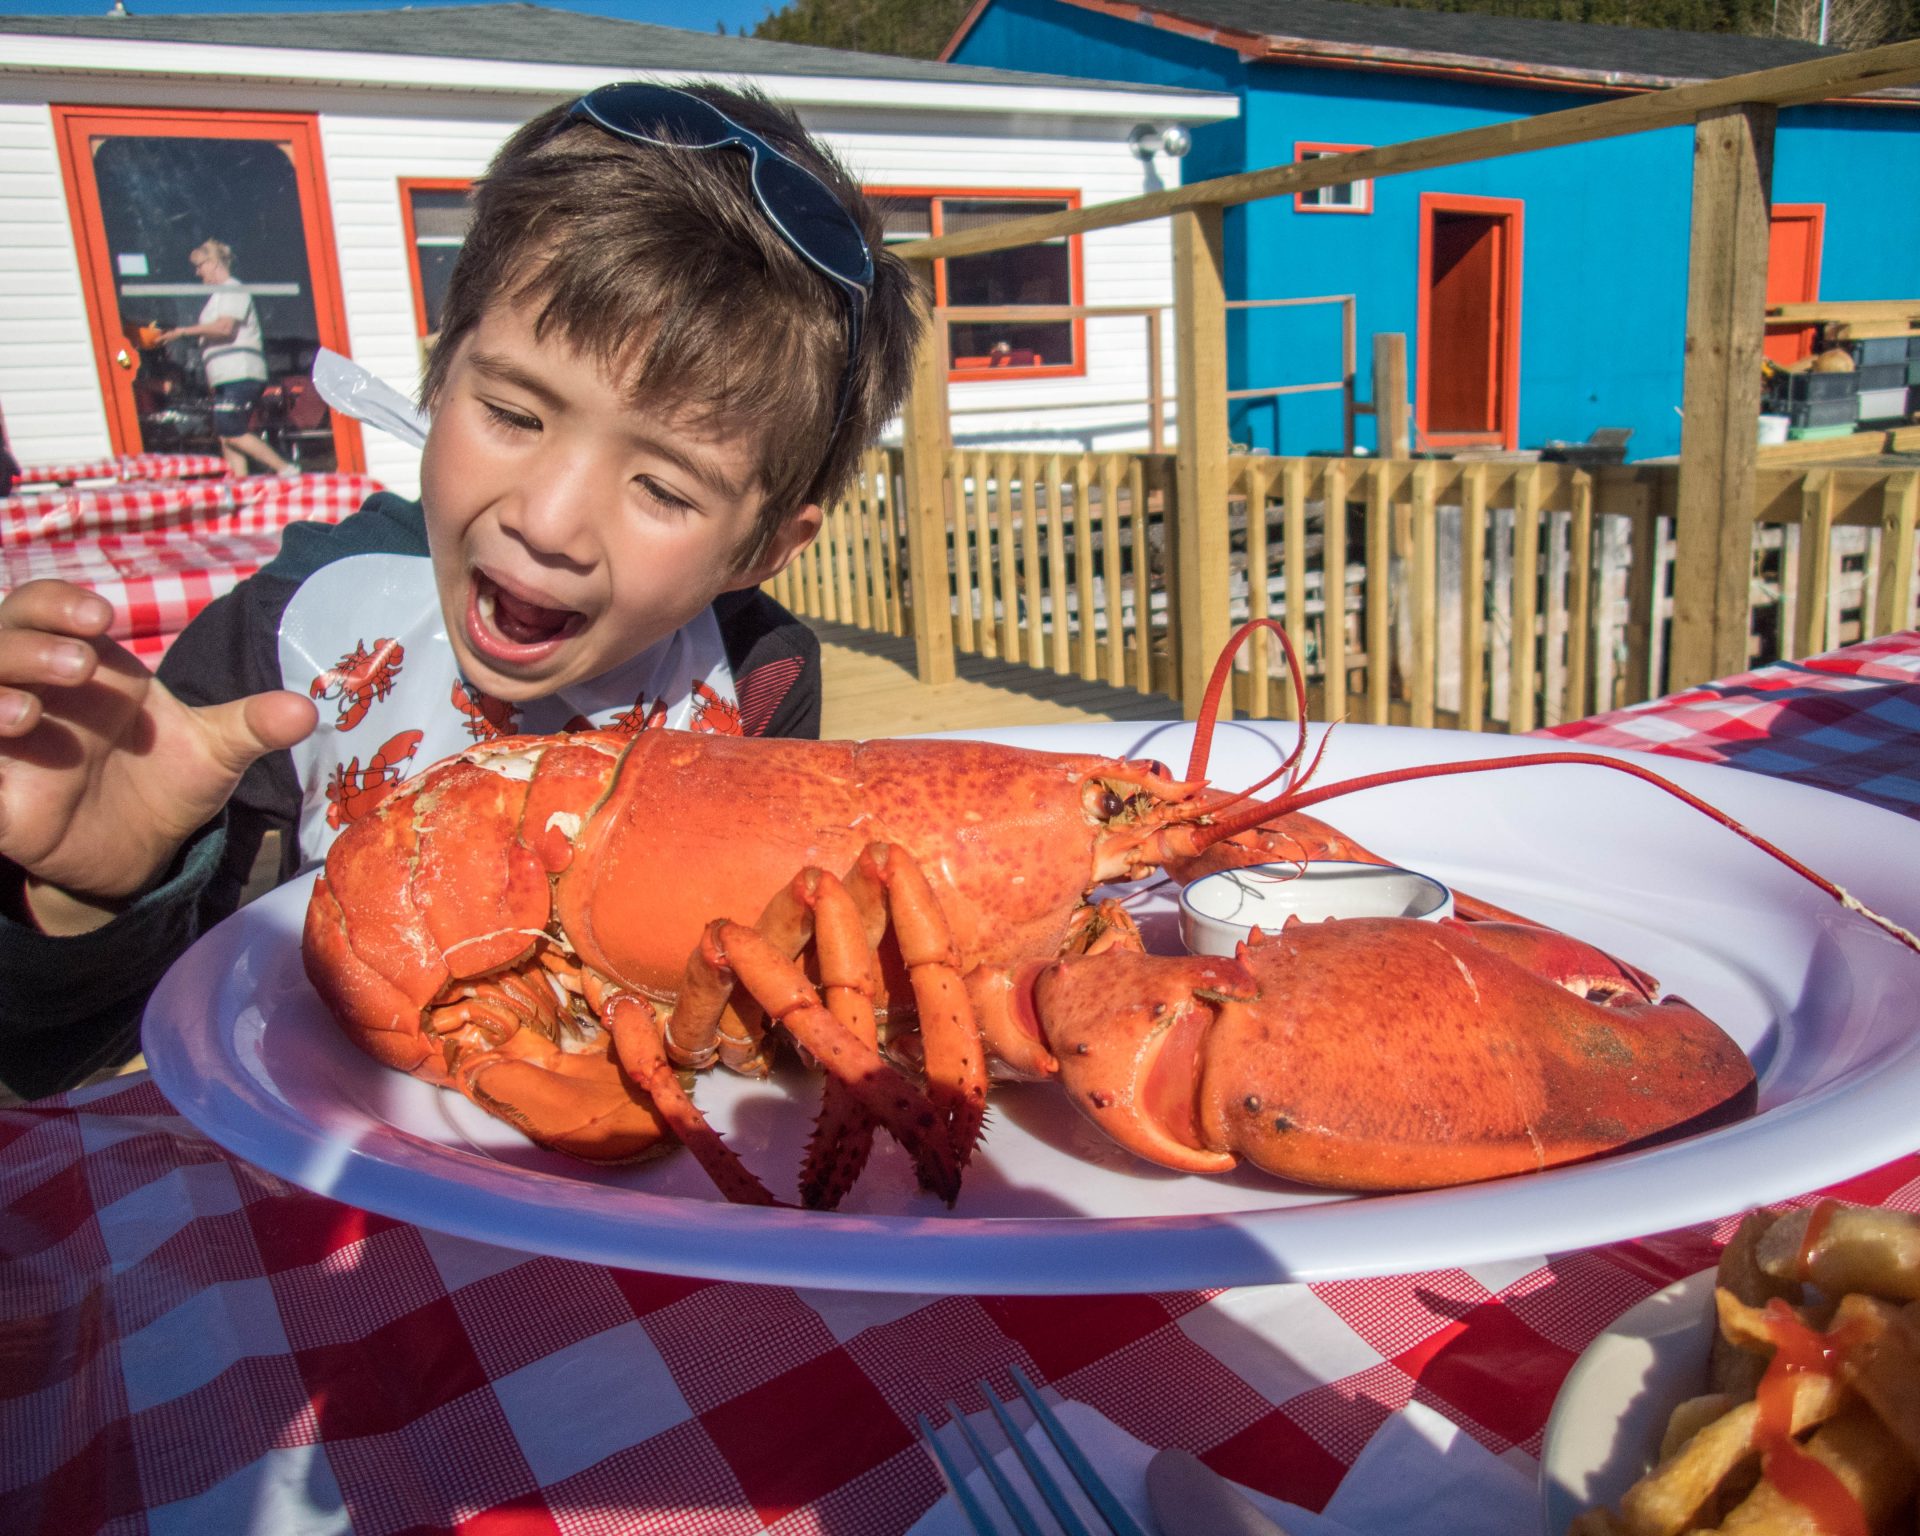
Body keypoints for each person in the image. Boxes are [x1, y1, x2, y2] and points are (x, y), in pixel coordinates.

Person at [0, 82, 923, 1098]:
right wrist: (104, 891)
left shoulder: (758, 677)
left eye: (661, 486)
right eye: (515, 415)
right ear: (440, 383)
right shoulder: (283, 637)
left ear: (763, 548)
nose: (547, 520)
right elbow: (67, 1051)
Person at [156, 239, 298, 477]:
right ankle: (239, 484)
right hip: (226, 376)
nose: (197, 272)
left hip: (240, 373)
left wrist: (182, 332)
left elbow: (224, 328)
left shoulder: (233, 289)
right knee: (226, 434)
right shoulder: (219, 295)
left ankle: (285, 469)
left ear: (213, 263)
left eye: (200, 265)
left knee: (232, 429)